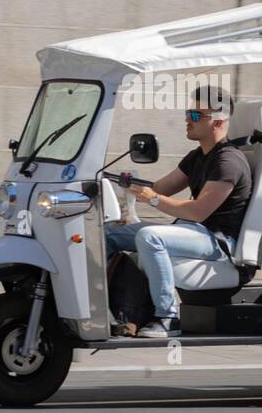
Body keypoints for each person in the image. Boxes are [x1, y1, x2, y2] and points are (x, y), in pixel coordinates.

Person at [105, 86, 252, 338]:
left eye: (195, 115)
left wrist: (152, 200)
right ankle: (105, 308)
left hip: (217, 242)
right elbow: (160, 188)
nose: (187, 119)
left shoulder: (229, 162)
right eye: (188, 112)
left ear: (217, 120)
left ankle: (167, 317)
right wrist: (119, 183)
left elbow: (197, 211)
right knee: (107, 235)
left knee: (151, 236)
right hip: (191, 232)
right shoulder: (198, 156)